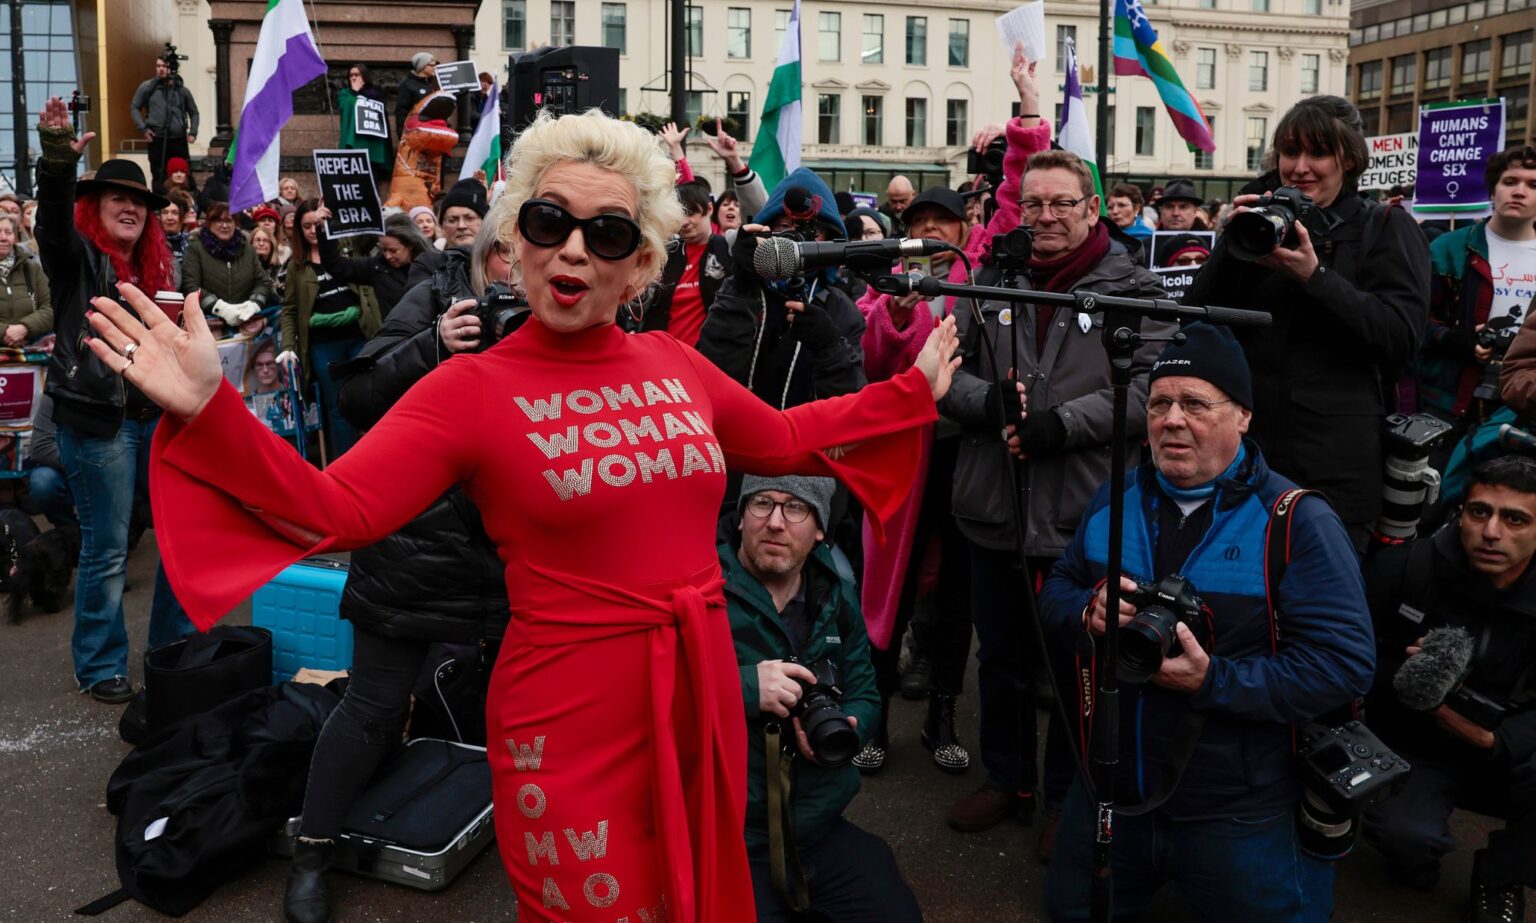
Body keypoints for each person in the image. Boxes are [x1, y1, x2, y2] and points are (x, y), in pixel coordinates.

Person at [83, 107, 960, 923]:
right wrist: (211, 410)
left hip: (694, 688)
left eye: (606, 231)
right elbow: (336, 506)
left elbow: (786, 433)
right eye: (549, 222)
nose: (573, 247)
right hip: (567, 711)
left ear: (642, 261)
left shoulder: (673, 364)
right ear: (515, 238)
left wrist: (910, 393)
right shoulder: (470, 388)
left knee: (686, 891)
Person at [1038, 323, 1375, 921]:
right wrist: (1087, 610)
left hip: (1239, 812)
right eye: (1160, 402)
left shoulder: (1296, 521)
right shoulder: (1113, 498)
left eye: (1196, 403)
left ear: (1243, 416)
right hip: (1111, 790)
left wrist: (1212, 680)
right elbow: (1056, 589)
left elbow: (1343, 665)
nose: (1172, 419)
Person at [939, 146, 1174, 838]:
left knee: (1081, 669)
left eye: (1060, 203)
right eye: (1032, 204)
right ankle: (1006, 778)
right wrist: (990, 406)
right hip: (995, 506)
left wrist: (1061, 425)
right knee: (1003, 659)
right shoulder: (988, 282)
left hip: (1084, 515)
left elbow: (1153, 390)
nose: (1044, 217)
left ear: (1092, 209)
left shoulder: (1136, 290)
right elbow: (943, 373)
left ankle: (1065, 801)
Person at [284, 216, 514, 923]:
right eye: (504, 247)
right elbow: (357, 395)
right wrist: (435, 344)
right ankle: (312, 851)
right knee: (374, 706)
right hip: (414, 543)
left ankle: (538, 839)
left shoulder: (564, 306)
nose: (518, 265)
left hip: (510, 554)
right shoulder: (437, 289)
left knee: (528, 706)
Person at [1184, 95, 1429, 544]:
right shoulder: (1259, 222)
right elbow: (1196, 322)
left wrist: (1313, 277)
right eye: (1289, 152)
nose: (1299, 167)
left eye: (1317, 153)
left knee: (1316, 605)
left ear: (1349, 159)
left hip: (1333, 471)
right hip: (1242, 459)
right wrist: (1235, 248)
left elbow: (1401, 340)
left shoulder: (1386, 227)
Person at [33, 96, 193, 704]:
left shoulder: (155, 269)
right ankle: (100, 666)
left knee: (178, 537)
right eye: (117, 198)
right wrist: (55, 161)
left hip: (156, 419)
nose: (131, 207)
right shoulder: (77, 259)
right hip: (98, 424)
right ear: (94, 206)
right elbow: (50, 224)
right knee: (106, 549)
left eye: (141, 202)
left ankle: (173, 656)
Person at [723, 474, 922, 923]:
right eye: (761, 504)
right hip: (732, 839)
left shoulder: (835, 592)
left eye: (795, 508)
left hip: (817, 827)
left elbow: (866, 693)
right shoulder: (700, 592)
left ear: (818, 530)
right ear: (740, 519)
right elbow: (648, 698)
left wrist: (849, 725)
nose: (775, 522)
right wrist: (747, 688)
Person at [1361, 454, 1536, 923]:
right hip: (1418, 748)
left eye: (1515, 518)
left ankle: (1501, 877)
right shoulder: (1405, 569)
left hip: (1505, 751)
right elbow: (1346, 662)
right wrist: (1406, 679)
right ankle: (1415, 855)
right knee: (1407, 841)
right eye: (1479, 512)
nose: (1492, 532)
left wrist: (1496, 740)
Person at [698, 168, 866, 411]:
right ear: (765, 230)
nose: (796, 238)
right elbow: (711, 374)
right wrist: (742, 284)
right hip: (737, 438)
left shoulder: (840, 308)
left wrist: (829, 347)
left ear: (832, 235)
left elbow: (850, 405)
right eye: (784, 226)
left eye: (812, 230)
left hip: (802, 442)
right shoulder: (740, 290)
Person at [1418, 147, 1536, 440]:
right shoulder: (1447, 249)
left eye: (1533, 185)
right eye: (1510, 181)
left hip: (1522, 403)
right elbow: (1414, 320)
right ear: (1493, 189)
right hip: (1450, 400)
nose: (1519, 191)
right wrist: (1459, 340)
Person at [279, 199, 382, 458]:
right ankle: (347, 466)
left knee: (369, 400)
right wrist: (289, 346)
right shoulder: (296, 265)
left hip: (359, 335)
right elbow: (290, 309)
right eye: (307, 226)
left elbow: (372, 232)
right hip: (323, 345)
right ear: (300, 231)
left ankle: (377, 458)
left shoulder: (348, 249)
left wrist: (339, 216)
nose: (314, 230)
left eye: (318, 224)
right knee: (337, 407)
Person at [635, 182, 728, 346]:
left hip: (707, 357)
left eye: (691, 213)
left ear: (709, 209)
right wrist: (642, 288)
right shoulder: (665, 254)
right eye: (679, 215)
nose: (685, 222)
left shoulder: (727, 249)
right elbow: (638, 309)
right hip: (661, 354)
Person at [180, 202, 274, 332]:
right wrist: (220, 307)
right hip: (208, 324)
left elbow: (263, 281)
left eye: (229, 221)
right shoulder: (196, 248)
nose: (224, 225)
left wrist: (254, 304)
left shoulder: (247, 249)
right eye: (219, 220)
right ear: (209, 223)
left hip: (244, 321)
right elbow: (190, 285)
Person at [316, 212, 429, 318]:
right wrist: (324, 229)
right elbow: (336, 266)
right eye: (383, 250)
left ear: (410, 245)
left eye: (393, 251)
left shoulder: (432, 265)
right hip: (397, 336)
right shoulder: (377, 267)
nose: (388, 256)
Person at [130, 55, 198, 188]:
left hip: (179, 139)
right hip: (157, 138)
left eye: (165, 66)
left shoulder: (182, 91)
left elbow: (194, 112)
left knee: (183, 173)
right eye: (158, 66)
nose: (161, 69)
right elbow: (134, 107)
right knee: (158, 174)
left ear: (172, 68)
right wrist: (143, 129)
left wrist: (193, 132)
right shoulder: (147, 87)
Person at [408, 179, 486, 284]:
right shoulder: (427, 264)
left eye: (469, 218)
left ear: (484, 222)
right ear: (441, 227)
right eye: (452, 220)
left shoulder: (499, 262)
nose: (461, 226)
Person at [0, 214, 52, 346]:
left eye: (8, 232)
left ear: (15, 237)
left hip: (32, 353)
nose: (3, 238)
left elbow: (50, 308)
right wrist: (4, 332)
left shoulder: (32, 268)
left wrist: (25, 328)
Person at [339, 64, 392, 188]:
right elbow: (346, 108)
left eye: (356, 75)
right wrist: (355, 92)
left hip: (373, 145)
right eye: (351, 75)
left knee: (372, 184)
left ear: (364, 76)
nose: (353, 78)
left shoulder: (375, 93)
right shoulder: (346, 93)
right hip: (355, 145)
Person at [395, 52, 437, 139]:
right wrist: (402, 133)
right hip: (416, 133)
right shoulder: (407, 85)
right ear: (422, 66)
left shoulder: (433, 83)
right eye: (431, 65)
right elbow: (401, 111)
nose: (434, 68)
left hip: (435, 132)